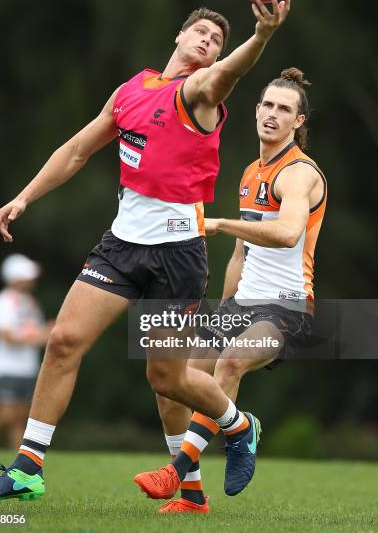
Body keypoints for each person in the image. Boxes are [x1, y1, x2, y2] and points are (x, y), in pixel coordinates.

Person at [0, 0, 290, 504]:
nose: (207, 41)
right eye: (200, 32)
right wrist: (24, 197)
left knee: (166, 379)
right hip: (120, 246)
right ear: (179, 38)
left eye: (216, 40)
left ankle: (238, 425)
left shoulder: (201, 91)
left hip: (177, 255)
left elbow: (228, 72)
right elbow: (76, 150)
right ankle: (27, 469)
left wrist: (262, 37)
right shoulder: (130, 92)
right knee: (63, 341)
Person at [135, 67, 327, 514]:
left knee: (231, 361)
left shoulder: (299, 175)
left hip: (286, 310)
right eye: (268, 105)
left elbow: (284, 233)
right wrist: (221, 306)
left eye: (285, 109)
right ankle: (196, 496)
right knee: (172, 382)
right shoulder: (249, 173)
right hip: (240, 305)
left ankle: (179, 469)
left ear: (299, 121)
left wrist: (218, 222)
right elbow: (241, 254)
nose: (273, 114)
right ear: (256, 109)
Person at [0, 254, 51, 450]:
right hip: (6, 367)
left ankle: (17, 458)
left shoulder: (31, 303)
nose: (32, 279)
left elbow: (36, 332)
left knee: (20, 415)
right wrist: (40, 336)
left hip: (27, 367)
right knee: (8, 414)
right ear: (15, 277)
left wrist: (48, 333)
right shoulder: (3, 302)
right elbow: (6, 336)